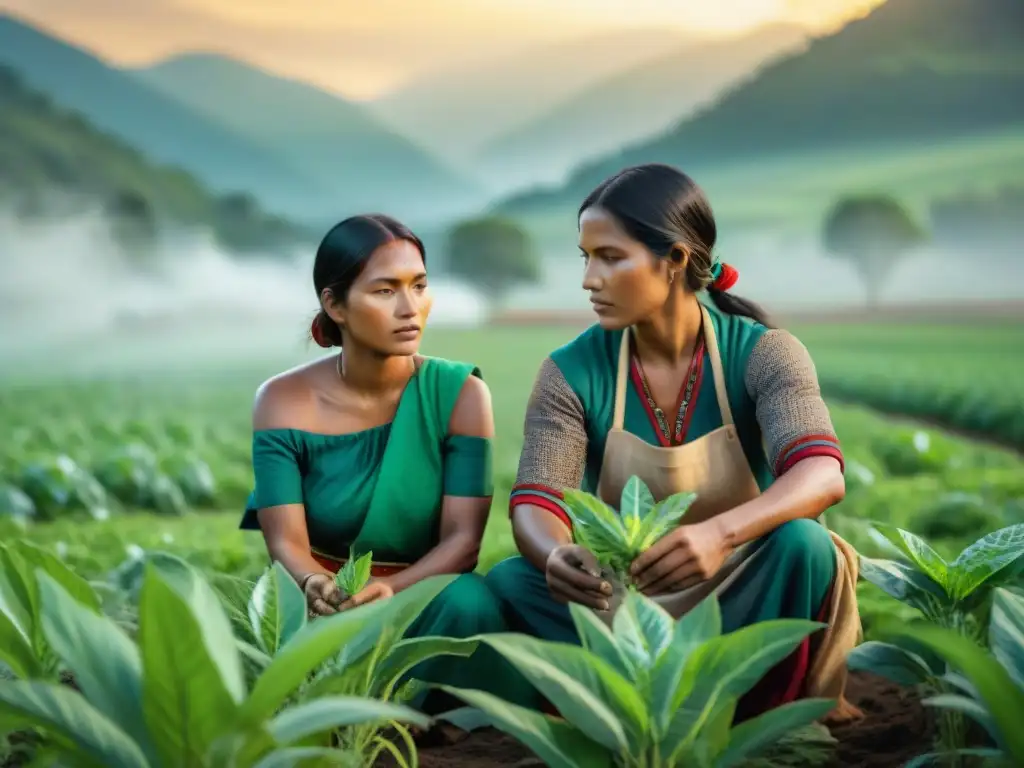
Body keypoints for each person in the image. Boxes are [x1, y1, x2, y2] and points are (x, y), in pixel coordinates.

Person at [485, 164, 863, 723]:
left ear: (676, 259)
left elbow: (821, 474)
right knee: (511, 581)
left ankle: (758, 710)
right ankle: (624, 706)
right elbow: (538, 499)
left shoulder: (764, 353)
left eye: (610, 257)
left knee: (805, 547)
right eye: (584, 257)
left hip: (740, 584)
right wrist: (557, 553)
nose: (589, 278)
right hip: (626, 597)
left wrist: (719, 534)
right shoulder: (570, 371)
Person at [240, 213, 527, 717]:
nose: (410, 308)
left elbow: (463, 542)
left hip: (424, 594)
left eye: (419, 286)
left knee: (468, 603)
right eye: (385, 291)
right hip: (323, 600)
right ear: (336, 304)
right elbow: (285, 541)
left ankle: (472, 722)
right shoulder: (282, 401)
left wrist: (390, 590)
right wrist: (316, 586)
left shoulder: (458, 394)